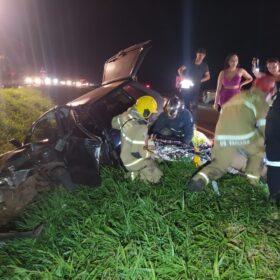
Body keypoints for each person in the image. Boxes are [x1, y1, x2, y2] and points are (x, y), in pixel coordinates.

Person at [187, 75, 276, 192]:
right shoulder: (260, 101)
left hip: (221, 136)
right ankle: (252, 182)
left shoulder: (239, 96)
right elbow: (264, 127)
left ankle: (199, 180)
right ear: (269, 91)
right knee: (258, 150)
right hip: (243, 136)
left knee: (219, 164)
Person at [111, 95, 163, 183]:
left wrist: (124, 117)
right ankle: (133, 176)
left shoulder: (127, 116)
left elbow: (113, 123)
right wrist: (153, 152)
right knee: (157, 174)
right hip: (132, 161)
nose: (153, 116)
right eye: (152, 113)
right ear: (146, 113)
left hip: (125, 155)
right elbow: (140, 153)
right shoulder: (140, 128)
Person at [178, 48, 210, 120]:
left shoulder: (205, 65)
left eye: (202, 56)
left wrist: (200, 80)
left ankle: (193, 120)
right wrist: (183, 78)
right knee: (186, 103)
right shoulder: (190, 62)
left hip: (196, 87)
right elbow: (180, 70)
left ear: (204, 56)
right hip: (187, 86)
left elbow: (208, 77)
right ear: (196, 54)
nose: (200, 57)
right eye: (199, 55)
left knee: (194, 105)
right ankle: (185, 119)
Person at [265, 75, 280, 206]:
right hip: (274, 124)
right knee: (274, 162)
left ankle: (274, 195)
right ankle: (274, 195)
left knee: (274, 163)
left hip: (274, 124)